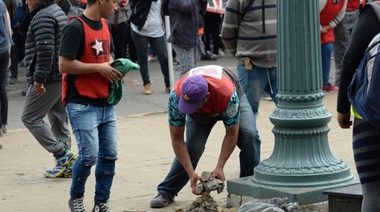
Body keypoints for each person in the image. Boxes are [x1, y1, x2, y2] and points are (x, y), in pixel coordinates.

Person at [150, 65, 261, 208]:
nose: (190, 109)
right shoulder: (176, 97)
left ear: (207, 97)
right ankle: (166, 191)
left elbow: (231, 133)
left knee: (249, 134)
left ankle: (247, 188)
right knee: (193, 147)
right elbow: (177, 139)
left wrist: (220, 167)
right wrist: (191, 173)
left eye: (193, 105)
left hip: (227, 97)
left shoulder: (227, 95)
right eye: (187, 105)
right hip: (204, 108)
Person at [58, 0, 122, 210]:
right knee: (89, 156)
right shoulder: (75, 26)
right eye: (114, 2)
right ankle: (76, 198)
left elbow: (107, 55)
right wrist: (99, 68)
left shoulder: (106, 24)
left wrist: (114, 66)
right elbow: (64, 65)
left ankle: (101, 203)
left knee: (110, 155)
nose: (116, 7)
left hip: (106, 102)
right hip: (81, 103)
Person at [21, 0, 76, 178]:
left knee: (30, 117)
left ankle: (62, 154)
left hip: (50, 77)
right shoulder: (55, 10)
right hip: (60, 74)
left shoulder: (43, 16)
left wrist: (39, 79)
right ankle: (67, 165)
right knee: (58, 118)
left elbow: (45, 50)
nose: (26, 2)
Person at [337, 2, 380, 212]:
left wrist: (342, 107)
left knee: (373, 190)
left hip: (371, 116)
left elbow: (350, 59)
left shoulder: (375, 11)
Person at [221, 0, 278, 117]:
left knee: (291, 111)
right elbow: (227, 34)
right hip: (251, 67)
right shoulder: (237, 1)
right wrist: (242, 55)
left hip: (282, 66)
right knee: (247, 119)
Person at [129, 0, 170, 94]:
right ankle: (146, 84)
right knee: (142, 58)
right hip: (140, 30)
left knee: (164, 57)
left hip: (157, 30)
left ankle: (168, 84)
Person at [166, 0, 208, 77]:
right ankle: (181, 89)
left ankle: (188, 88)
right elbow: (187, 7)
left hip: (194, 36)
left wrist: (203, 2)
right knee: (187, 72)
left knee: (192, 71)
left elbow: (201, 12)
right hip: (182, 38)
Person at [319, 0, 347, 92]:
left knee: (327, 49)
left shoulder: (343, 1)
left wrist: (328, 26)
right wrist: (319, 28)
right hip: (313, 24)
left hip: (326, 27)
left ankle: (324, 82)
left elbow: (340, 15)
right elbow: (311, 14)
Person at [333, 0, 360, 87]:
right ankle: (341, 79)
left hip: (356, 10)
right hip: (343, 12)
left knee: (355, 46)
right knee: (343, 48)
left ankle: (352, 78)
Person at [0, 0, 13, 137]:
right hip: (4, 49)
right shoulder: (2, 5)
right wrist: (9, 53)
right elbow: (8, 30)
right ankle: (4, 123)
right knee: (2, 88)